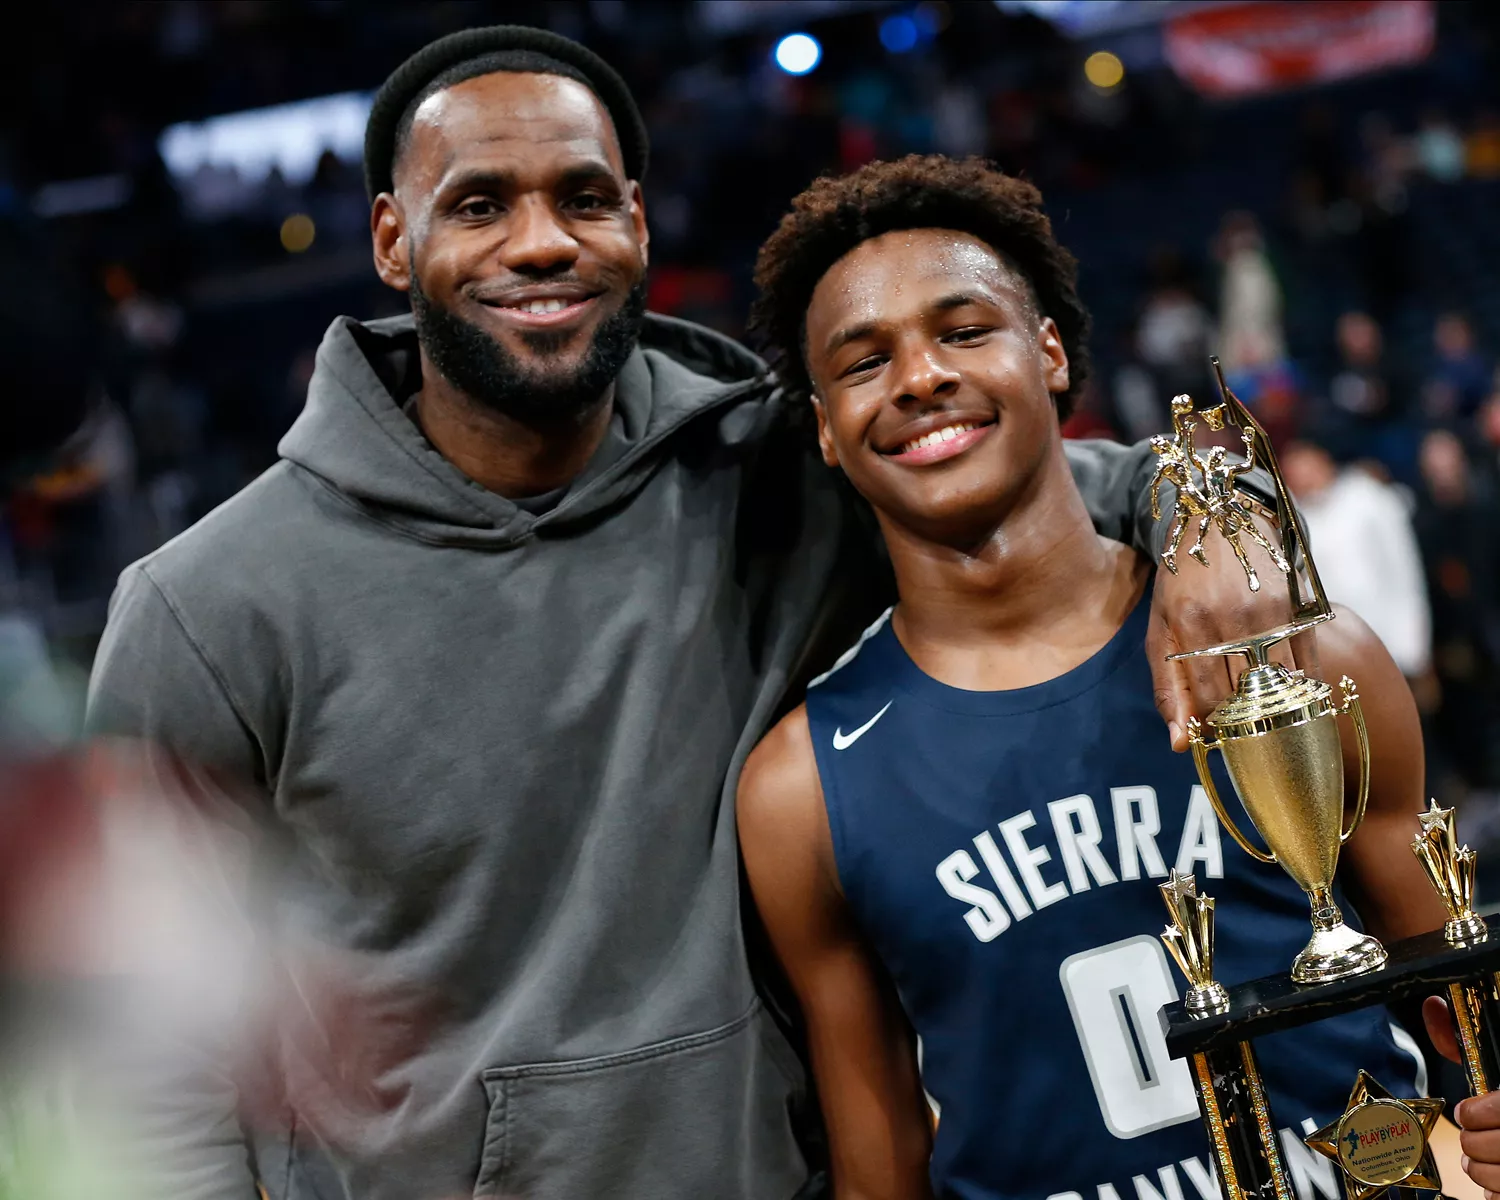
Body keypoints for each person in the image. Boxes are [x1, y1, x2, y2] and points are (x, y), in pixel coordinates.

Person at [86, 26, 1293, 1200]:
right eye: (478, 205)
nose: (542, 242)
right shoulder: (208, 611)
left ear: (640, 222)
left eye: (583, 197)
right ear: (393, 242)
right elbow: (145, 1060)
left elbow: (1069, 478)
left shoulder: (769, 465)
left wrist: (1212, 513)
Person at [738, 155, 1451, 1200]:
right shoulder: (801, 787)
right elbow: (880, 1158)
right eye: (863, 362)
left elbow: (1459, 996)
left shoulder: (1309, 659)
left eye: (964, 330)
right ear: (826, 433)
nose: (922, 376)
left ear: (1052, 352)